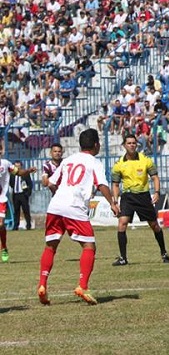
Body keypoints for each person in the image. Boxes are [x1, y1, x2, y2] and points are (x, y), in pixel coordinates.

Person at [37, 128, 120, 306]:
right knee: (89, 246)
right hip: (74, 207)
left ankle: (42, 285)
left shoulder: (67, 160)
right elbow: (102, 185)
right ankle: (82, 286)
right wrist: (113, 203)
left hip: (56, 205)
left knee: (51, 246)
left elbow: (51, 182)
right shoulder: (94, 163)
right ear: (96, 145)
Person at [110, 134, 169, 265]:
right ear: (124, 145)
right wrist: (115, 201)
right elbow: (115, 184)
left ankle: (164, 252)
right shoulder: (118, 164)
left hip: (143, 196)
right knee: (122, 223)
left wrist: (157, 192)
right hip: (127, 196)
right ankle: (123, 258)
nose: (132, 145)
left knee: (154, 225)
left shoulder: (146, 160)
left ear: (136, 145)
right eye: (129, 143)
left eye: (134, 143)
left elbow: (155, 177)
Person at [0, 158, 35, 261]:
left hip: (1, 199)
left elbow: (18, 172)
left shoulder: (5, 164)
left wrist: (28, 170)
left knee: (1, 225)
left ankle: (4, 247)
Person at [11, 160, 37, 230]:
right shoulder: (12, 175)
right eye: (16, 166)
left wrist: (28, 193)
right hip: (15, 195)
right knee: (16, 211)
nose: (17, 167)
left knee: (26, 210)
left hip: (23, 194)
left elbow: (30, 184)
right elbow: (11, 183)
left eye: (18, 165)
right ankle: (16, 226)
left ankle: (28, 225)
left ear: (21, 165)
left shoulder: (25, 174)